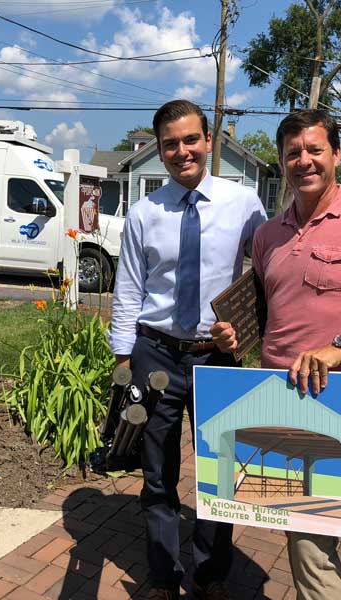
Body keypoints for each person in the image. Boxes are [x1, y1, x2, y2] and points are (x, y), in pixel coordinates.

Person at [210, 109, 341, 600]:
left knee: (311, 544)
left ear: (337, 155)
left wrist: (340, 347)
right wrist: (233, 336)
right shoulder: (268, 235)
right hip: (278, 400)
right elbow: (268, 313)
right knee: (306, 536)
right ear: (281, 161)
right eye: (293, 153)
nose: (304, 161)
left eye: (315, 150)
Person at [110, 99, 266, 600]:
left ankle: (210, 574)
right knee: (157, 475)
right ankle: (163, 577)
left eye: (191, 139)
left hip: (217, 357)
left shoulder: (244, 204)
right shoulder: (144, 213)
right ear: (159, 150)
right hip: (155, 354)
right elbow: (129, 289)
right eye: (171, 144)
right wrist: (123, 359)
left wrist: (246, 329)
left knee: (221, 473)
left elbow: (267, 276)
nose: (183, 151)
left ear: (209, 141)